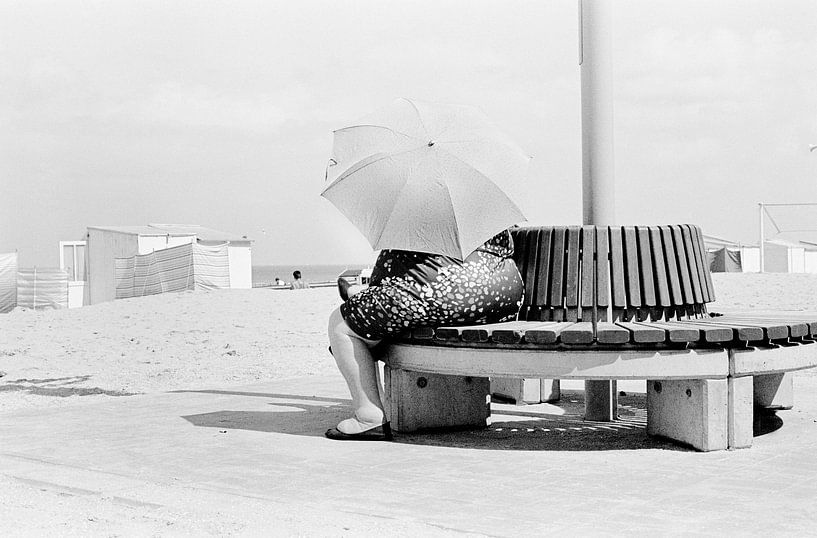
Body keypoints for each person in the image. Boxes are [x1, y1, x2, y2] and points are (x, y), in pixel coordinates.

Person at [325, 229, 524, 441]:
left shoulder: (418, 214)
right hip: (504, 298)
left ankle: (369, 417)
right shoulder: (482, 208)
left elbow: (388, 270)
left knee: (341, 324)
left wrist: (369, 292)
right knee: (385, 312)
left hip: (446, 294)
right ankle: (362, 316)